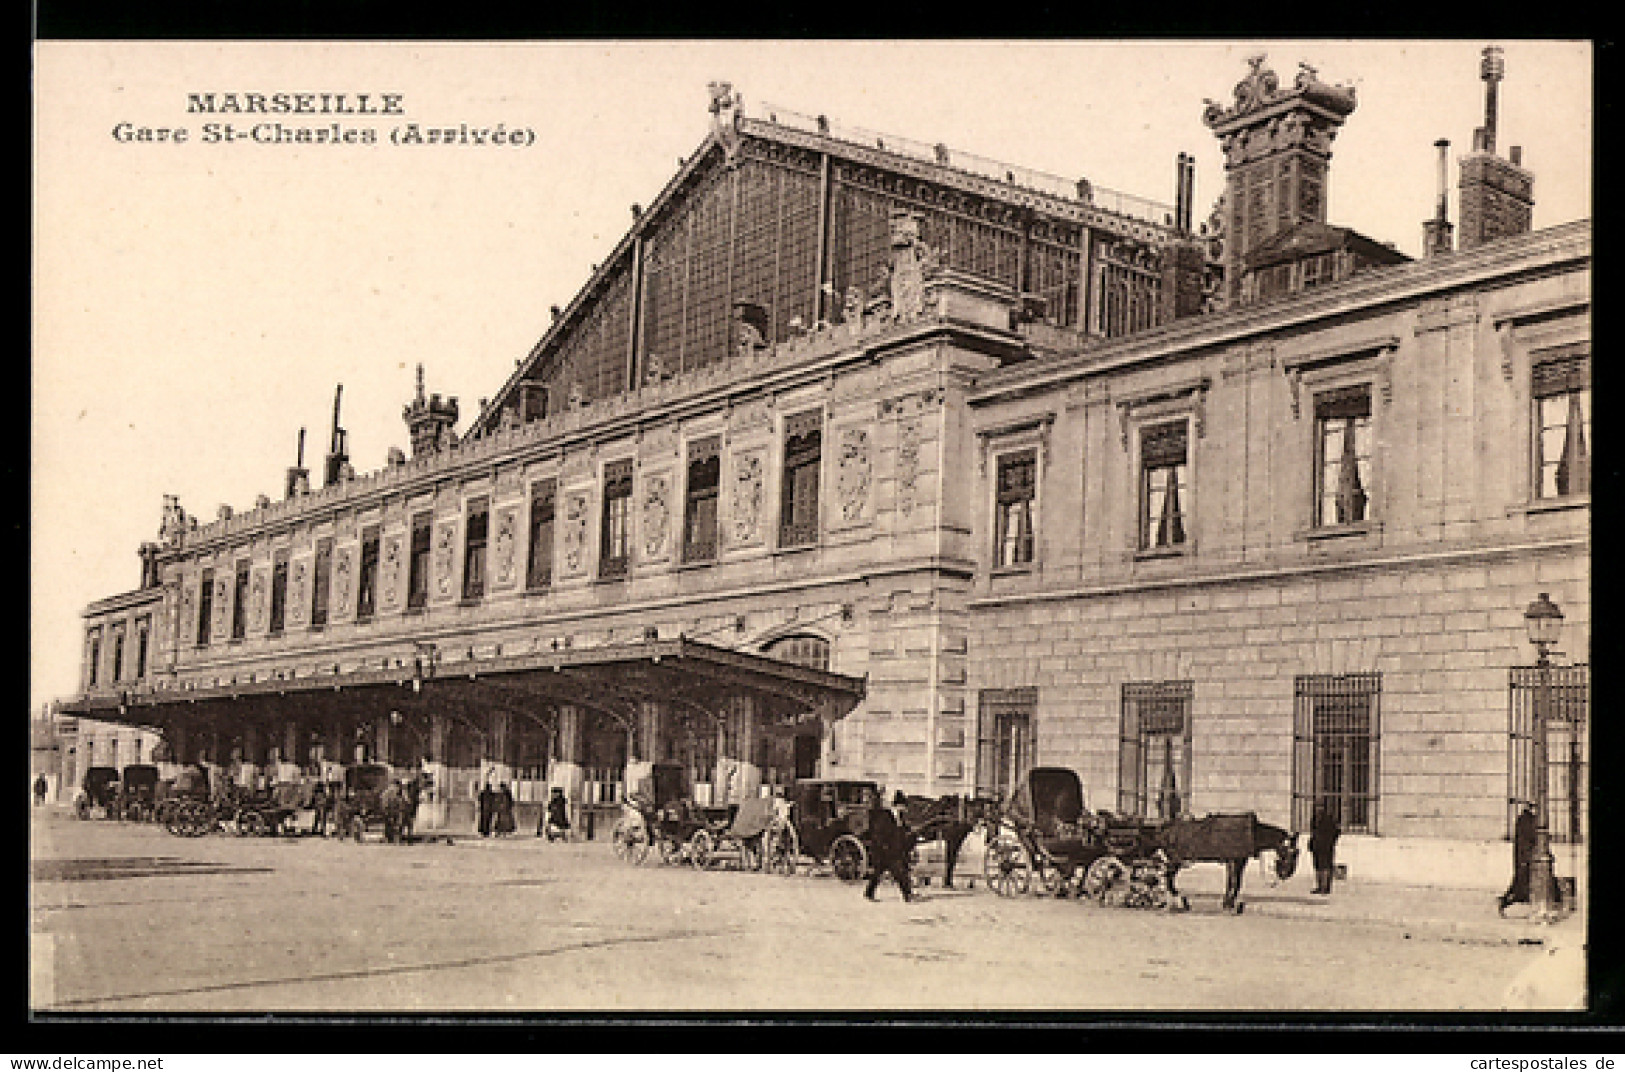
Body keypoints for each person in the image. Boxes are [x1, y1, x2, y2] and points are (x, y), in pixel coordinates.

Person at [1498, 805, 1563, 916]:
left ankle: (1506, 901)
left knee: (1522, 883)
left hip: (1528, 857)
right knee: (1521, 884)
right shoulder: (1527, 820)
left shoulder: (1526, 819)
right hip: (1528, 858)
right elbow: (1530, 841)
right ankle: (1506, 903)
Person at [863, 798, 917, 903]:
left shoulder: (899, 817)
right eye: (903, 806)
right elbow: (877, 832)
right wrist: (884, 846)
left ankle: (869, 893)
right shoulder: (884, 816)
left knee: (878, 873)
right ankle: (908, 895)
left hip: (894, 850)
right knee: (899, 873)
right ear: (897, 806)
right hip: (884, 850)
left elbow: (902, 831)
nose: (905, 809)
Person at [1309, 799, 1341, 896]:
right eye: (1317, 807)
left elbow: (1336, 832)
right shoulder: (1314, 819)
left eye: (1320, 807)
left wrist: (1330, 842)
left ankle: (1325, 887)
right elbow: (1313, 832)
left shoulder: (1329, 819)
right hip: (1317, 846)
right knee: (1318, 866)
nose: (1318, 809)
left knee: (1326, 866)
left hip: (1326, 846)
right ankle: (1319, 886)